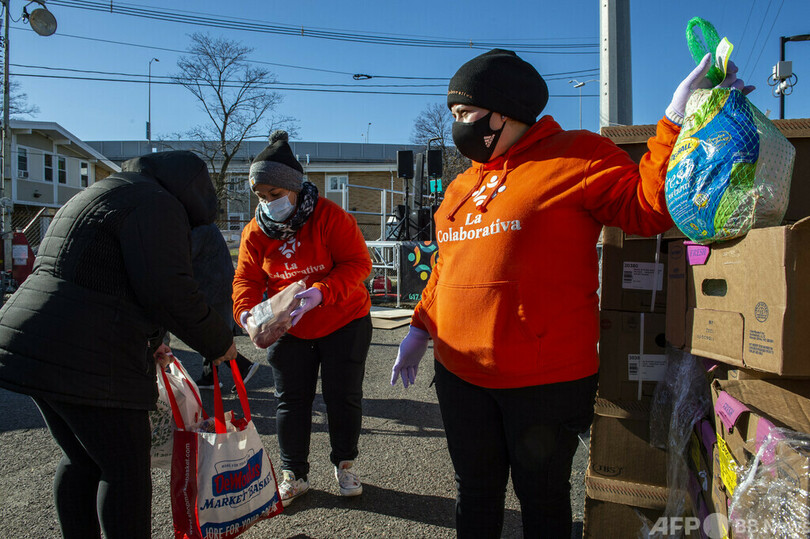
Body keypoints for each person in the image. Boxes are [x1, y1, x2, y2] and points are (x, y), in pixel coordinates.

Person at [390, 49, 753, 538]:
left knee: (542, 500)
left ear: (503, 112)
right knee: (474, 493)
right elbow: (445, 268)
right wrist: (420, 328)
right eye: (454, 113)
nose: (457, 124)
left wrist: (676, 121)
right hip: (460, 377)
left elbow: (647, 209)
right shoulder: (461, 186)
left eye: (465, 112)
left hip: (543, 384)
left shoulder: (577, 156)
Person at [0, 150, 237, 539]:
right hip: (87, 356)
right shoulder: (158, 204)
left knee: (82, 459)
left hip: (31, 341)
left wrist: (154, 341)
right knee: (125, 471)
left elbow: (113, 277)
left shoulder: (106, 191)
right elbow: (169, 290)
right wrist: (219, 342)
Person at [233, 130, 373, 507]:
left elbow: (358, 264)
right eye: (261, 196)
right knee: (290, 401)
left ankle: (344, 464)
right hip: (290, 327)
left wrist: (322, 292)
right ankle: (294, 473)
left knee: (343, 397)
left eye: (275, 194)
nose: (268, 202)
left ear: (294, 188)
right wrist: (246, 312)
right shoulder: (255, 232)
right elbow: (246, 279)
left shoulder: (330, 216)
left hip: (343, 320)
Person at [189, 222, 259, 391]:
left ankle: (243, 366)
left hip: (211, 287)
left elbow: (184, 255)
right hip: (219, 285)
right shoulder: (205, 224)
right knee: (211, 331)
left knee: (210, 333)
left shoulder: (196, 227)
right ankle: (209, 377)